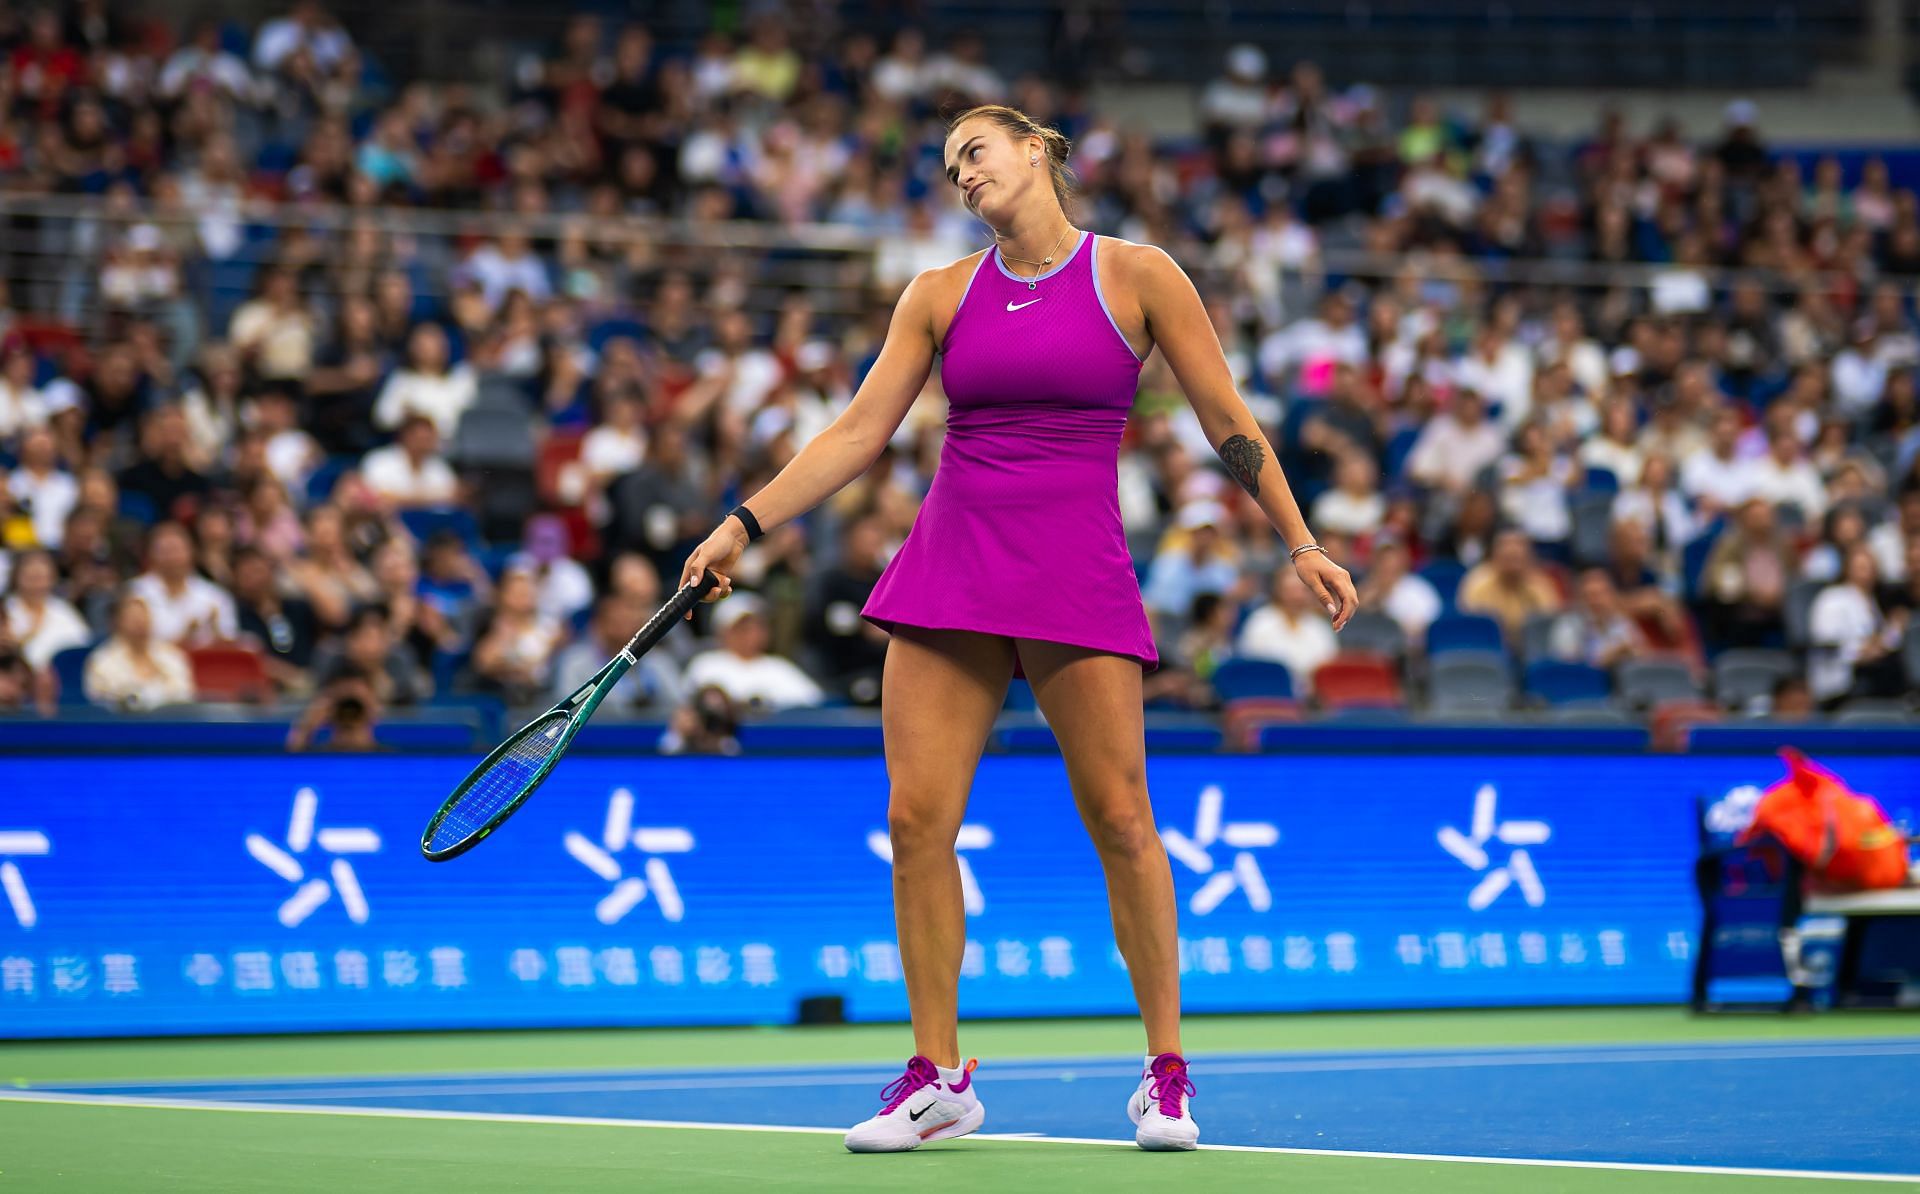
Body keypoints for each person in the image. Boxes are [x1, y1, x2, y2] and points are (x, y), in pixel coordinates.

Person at [678, 104, 1356, 1155]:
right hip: (951, 567)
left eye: (976, 152)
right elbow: (860, 430)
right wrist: (742, 523)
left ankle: (1166, 1077)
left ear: (1037, 152)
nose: (963, 175)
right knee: (916, 823)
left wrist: (1301, 540)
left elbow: (1230, 418)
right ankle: (938, 1077)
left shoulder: (1138, 275)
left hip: (1075, 573)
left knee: (1124, 819)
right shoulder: (939, 295)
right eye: (950, 168)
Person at [681, 591, 824, 711]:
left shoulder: (779, 667)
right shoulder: (705, 666)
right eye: (743, 628)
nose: (752, 634)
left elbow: (815, 705)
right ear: (723, 632)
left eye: (758, 627)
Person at [83, 592, 194, 709]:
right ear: (117, 622)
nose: (140, 621)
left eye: (144, 615)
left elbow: (185, 695)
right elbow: (102, 702)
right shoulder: (101, 660)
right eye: (133, 617)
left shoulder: (172, 655)